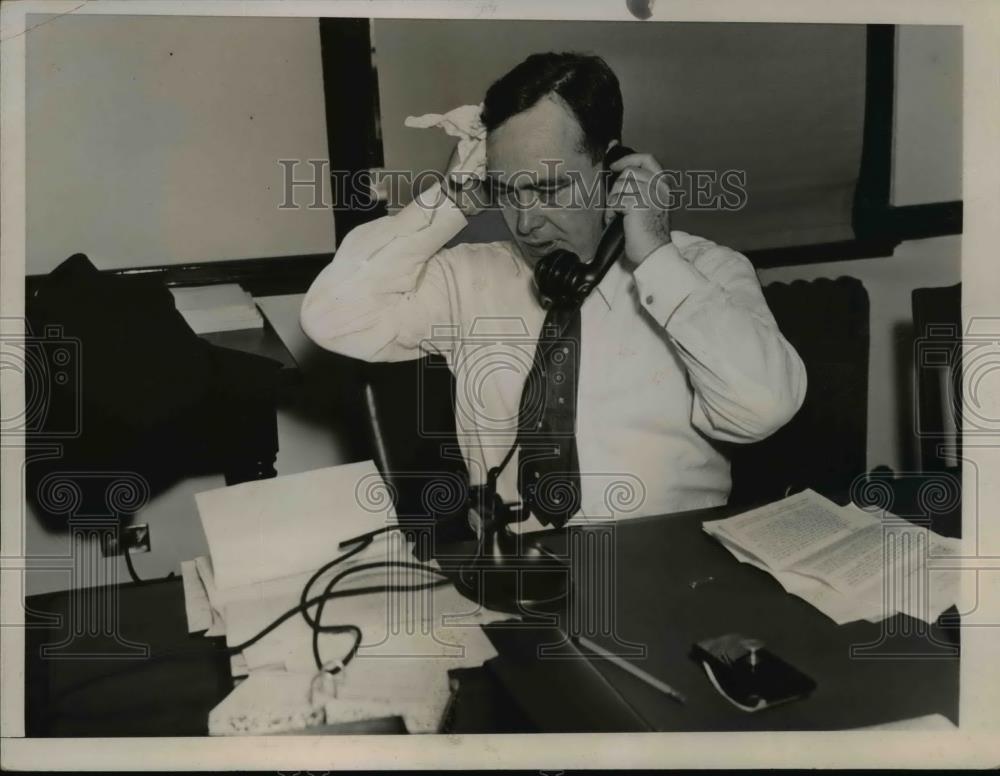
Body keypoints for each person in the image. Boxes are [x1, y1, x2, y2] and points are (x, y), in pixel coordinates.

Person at [301, 52, 806, 529]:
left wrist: (655, 256)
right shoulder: (469, 278)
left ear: (611, 169)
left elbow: (763, 410)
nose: (526, 222)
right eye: (506, 190)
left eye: (548, 189)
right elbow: (333, 317)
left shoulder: (704, 272)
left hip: (669, 573)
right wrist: (453, 199)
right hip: (515, 575)